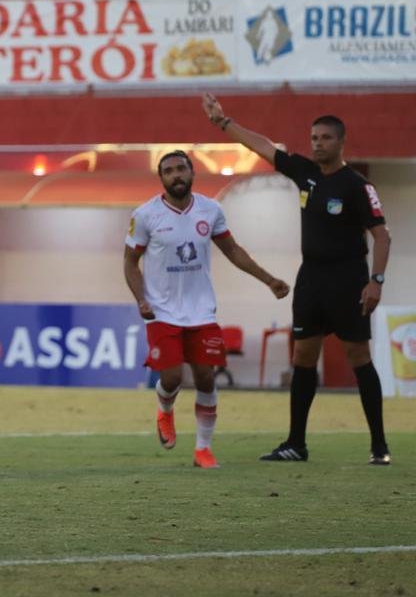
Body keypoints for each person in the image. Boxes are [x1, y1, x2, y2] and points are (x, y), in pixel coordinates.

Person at [202, 94, 393, 465]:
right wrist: (223, 122)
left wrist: (376, 281)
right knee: (303, 356)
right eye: (314, 138)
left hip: (348, 279)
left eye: (325, 138)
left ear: (340, 142)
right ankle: (295, 443)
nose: (318, 143)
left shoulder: (356, 186)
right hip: (311, 279)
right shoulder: (304, 172)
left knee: (359, 357)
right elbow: (262, 146)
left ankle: (379, 446)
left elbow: (382, 235)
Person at [124, 149, 290, 469]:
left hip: (202, 311)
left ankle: (203, 449)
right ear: (161, 179)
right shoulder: (145, 216)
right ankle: (165, 410)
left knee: (206, 378)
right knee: (171, 377)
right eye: (169, 171)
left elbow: (233, 251)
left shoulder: (210, 210)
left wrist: (269, 280)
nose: (176, 175)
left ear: (192, 173)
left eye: (181, 169)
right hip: (161, 311)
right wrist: (140, 297)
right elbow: (130, 262)